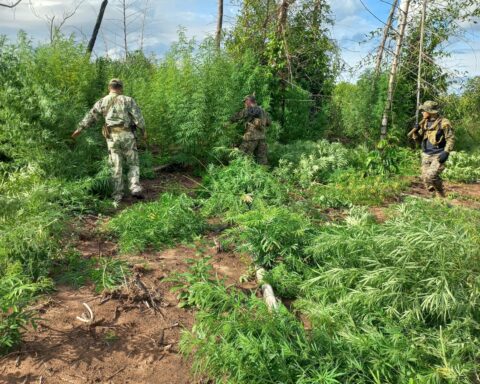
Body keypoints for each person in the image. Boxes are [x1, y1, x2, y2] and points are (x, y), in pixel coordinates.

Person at [71, 79, 147, 204]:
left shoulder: (102, 101)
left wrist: (79, 129)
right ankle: (134, 187)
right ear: (121, 88)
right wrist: (143, 130)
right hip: (127, 135)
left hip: (112, 137)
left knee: (116, 165)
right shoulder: (128, 100)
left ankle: (117, 195)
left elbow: (91, 116)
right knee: (133, 162)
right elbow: (138, 118)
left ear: (109, 88)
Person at [408, 100, 455, 197]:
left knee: (431, 176)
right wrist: (416, 132)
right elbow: (419, 141)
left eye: (423, 111)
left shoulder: (444, 123)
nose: (422, 113)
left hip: (438, 154)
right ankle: (433, 197)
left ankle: (441, 195)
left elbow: (450, 138)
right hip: (426, 154)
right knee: (425, 178)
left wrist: (446, 152)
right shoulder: (424, 123)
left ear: (429, 112)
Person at [229, 95, 271, 165]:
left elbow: (236, 117)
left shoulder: (248, 110)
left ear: (248, 101)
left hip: (251, 137)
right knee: (262, 160)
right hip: (262, 138)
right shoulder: (263, 111)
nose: (244, 104)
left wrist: (227, 122)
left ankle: (241, 174)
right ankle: (263, 174)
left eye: (245, 102)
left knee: (242, 157)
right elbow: (269, 123)